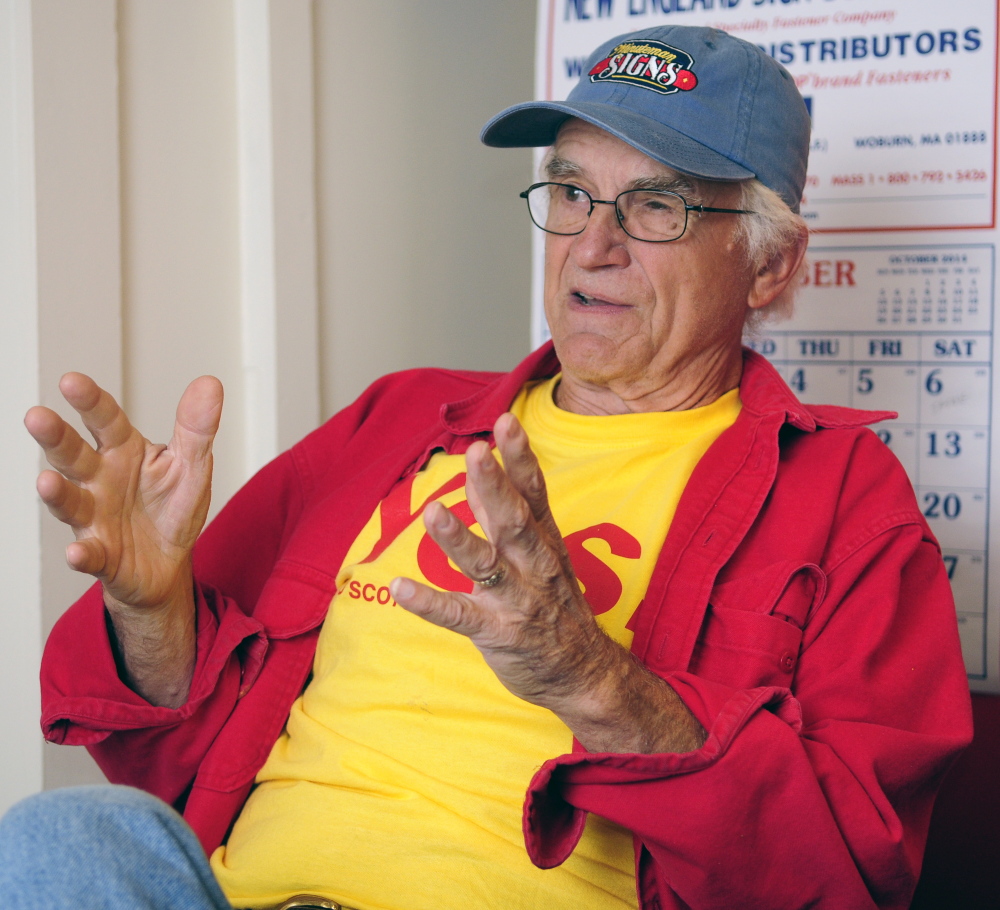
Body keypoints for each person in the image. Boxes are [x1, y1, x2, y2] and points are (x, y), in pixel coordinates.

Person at [5, 24, 971, 910]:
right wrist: (151, 609)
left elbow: (845, 875)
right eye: (570, 192)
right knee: (60, 843)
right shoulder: (401, 416)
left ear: (769, 265)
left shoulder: (846, 502)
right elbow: (181, 746)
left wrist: (590, 677)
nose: (594, 244)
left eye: (658, 206)